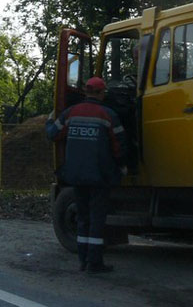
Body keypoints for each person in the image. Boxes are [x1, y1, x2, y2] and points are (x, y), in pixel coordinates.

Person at [46, 76, 126, 274]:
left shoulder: (70, 113)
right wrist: (122, 166)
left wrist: (49, 120)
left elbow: (53, 134)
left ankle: (83, 260)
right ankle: (95, 263)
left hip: (76, 176)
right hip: (99, 176)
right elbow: (120, 146)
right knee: (97, 219)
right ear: (101, 93)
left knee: (83, 217)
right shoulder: (108, 115)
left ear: (85, 92)